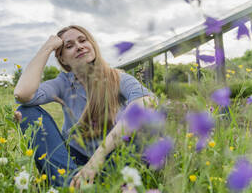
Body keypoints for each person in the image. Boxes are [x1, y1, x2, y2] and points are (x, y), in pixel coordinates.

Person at [14, 25, 156, 188]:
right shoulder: (63, 83)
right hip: (73, 161)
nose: (79, 46)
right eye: (69, 46)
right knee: (26, 112)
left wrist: (96, 160)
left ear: (92, 45)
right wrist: (47, 48)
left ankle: (83, 187)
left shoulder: (117, 77)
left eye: (83, 40)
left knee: (142, 131)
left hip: (112, 157)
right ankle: (73, 185)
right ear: (63, 60)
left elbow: (146, 103)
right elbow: (22, 94)